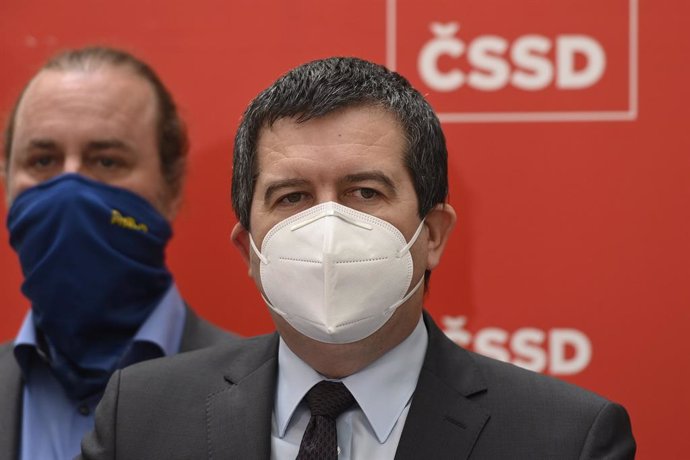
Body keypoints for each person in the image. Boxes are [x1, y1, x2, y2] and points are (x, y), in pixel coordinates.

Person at [79, 57, 636, 459]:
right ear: (248, 249)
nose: (327, 227)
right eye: (291, 197)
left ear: (434, 234)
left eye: (364, 192)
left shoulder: (566, 439)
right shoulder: (141, 418)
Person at [0, 46, 235, 460]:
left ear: (172, 188)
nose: (70, 191)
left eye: (106, 161)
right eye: (43, 160)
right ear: (6, 185)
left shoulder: (271, 393)